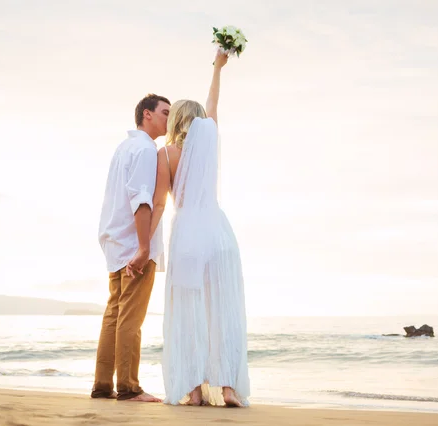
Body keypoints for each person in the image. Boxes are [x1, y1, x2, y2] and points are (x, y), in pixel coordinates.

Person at [132, 50, 250, 407]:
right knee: (222, 310)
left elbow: (160, 203)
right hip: (218, 234)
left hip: (186, 237)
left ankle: (194, 389)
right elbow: (213, 103)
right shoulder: (210, 139)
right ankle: (228, 387)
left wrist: (144, 247)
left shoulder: (165, 154)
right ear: (198, 121)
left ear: (176, 120)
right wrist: (217, 67)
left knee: (188, 313)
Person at [92, 94, 170, 402]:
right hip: (133, 243)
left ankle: (102, 385)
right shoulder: (145, 150)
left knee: (114, 314)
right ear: (147, 115)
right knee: (130, 319)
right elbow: (141, 199)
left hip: (114, 241)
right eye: (164, 111)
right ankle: (128, 387)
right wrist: (143, 247)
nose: (169, 116)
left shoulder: (124, 148)